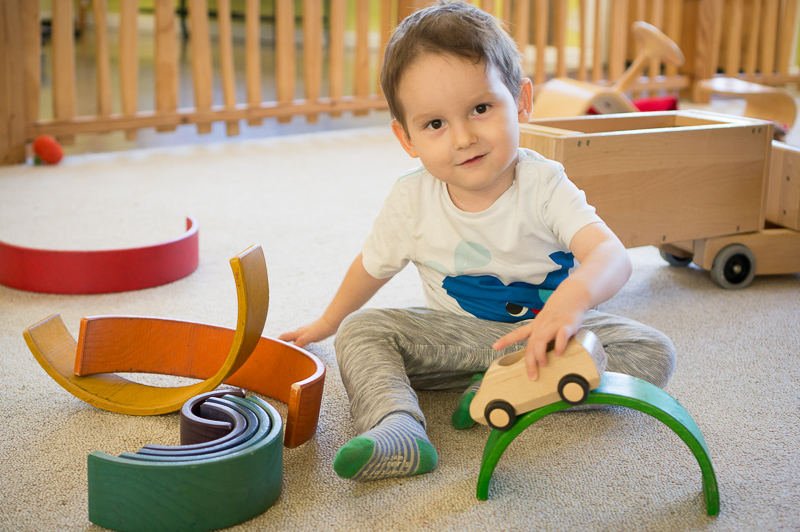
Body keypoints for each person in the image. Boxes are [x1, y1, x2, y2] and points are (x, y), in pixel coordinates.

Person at [279, 0, 676, 482]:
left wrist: (569, 306)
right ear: (406, 139)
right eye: (435, 124)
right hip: (453, 339)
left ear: (522, 101)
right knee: (362, 332)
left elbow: (610, 254)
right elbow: (373, 266)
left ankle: (502, 393)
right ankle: (397, 425)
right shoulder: (411, 199)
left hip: (547, 338)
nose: (463, 137)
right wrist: (327, 320)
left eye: (481, 108)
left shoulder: (544, 183)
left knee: (651, 351)